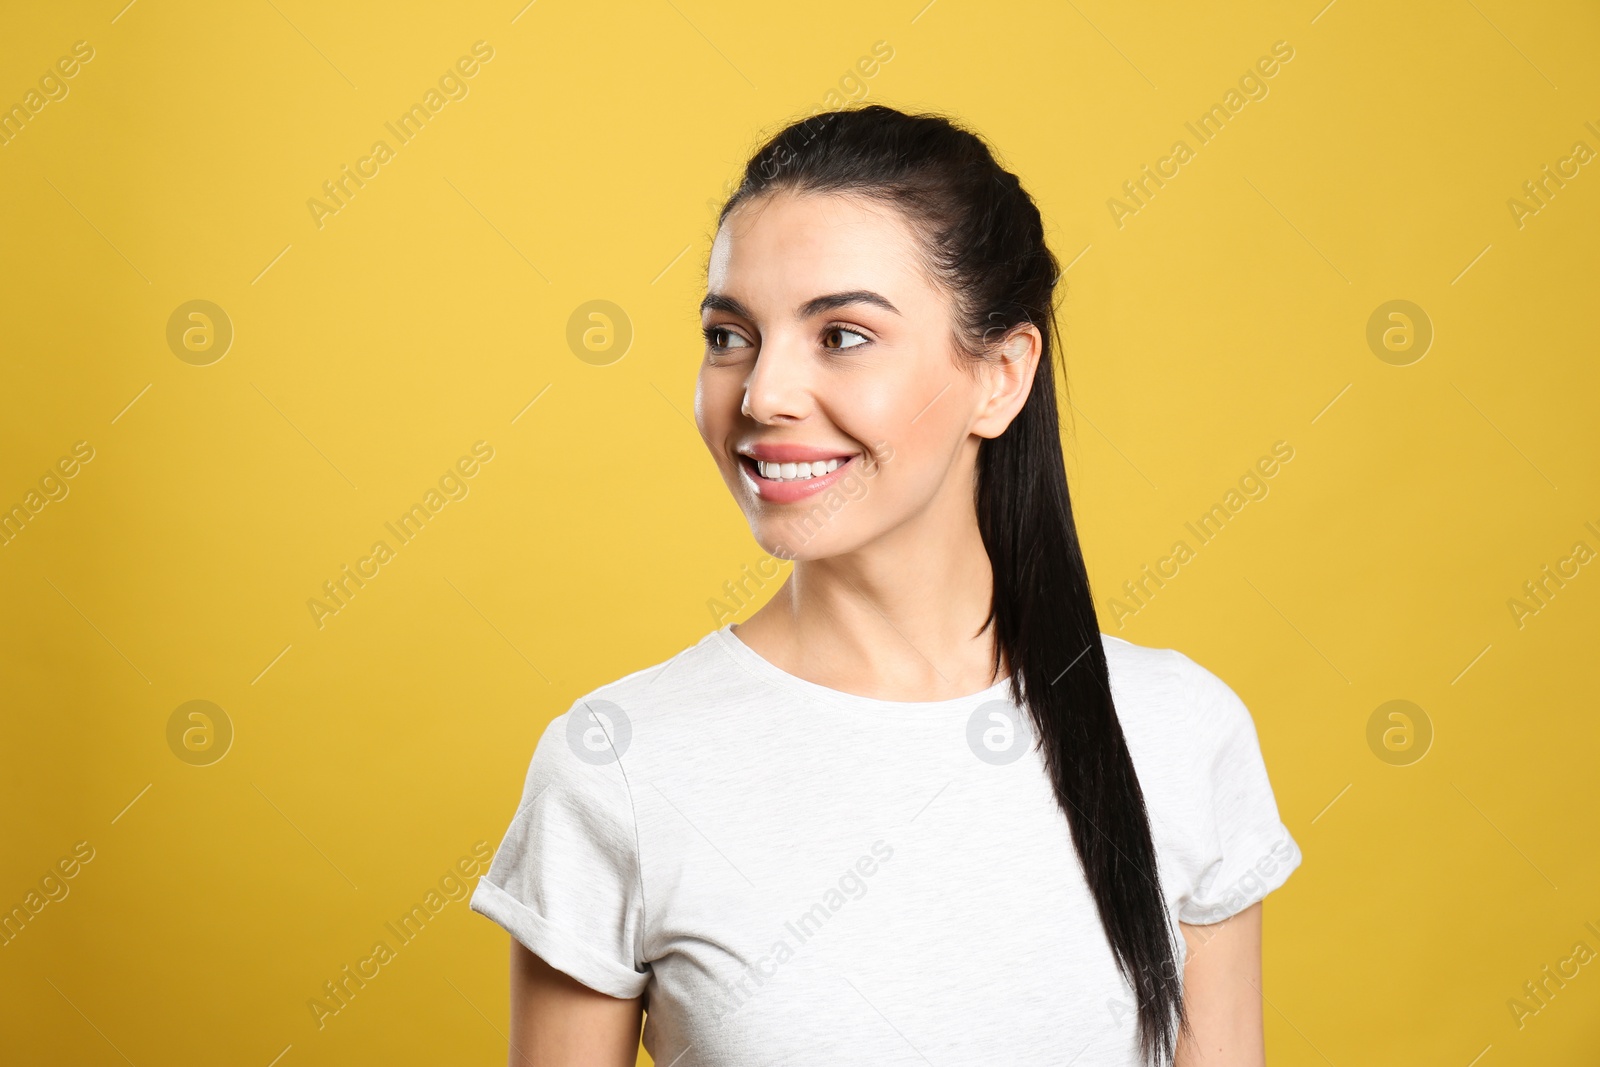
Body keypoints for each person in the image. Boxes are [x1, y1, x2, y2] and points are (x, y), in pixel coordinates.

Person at [469, 103, 1301, 1067]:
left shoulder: (1181, 732)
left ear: (1000, 375)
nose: (763, 393)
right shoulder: (615, 764)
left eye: (843, 336)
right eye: (730, 334)